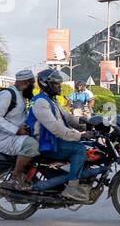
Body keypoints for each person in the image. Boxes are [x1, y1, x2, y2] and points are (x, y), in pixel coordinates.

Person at [28, 68, 92, 201]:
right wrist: (79, 135)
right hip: (46, 143)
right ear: (46, 84)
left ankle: (73, 178)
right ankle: (72, 188)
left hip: (53, 140)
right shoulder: (40, 102)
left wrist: (89, 124)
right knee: (79, 149)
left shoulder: (52, 101)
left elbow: (67, 118)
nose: (59, 86)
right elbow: (56, 128)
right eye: (56, 84)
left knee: (87, 146)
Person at [0, 70, 40, 192]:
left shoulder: (21, 95)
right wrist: (16, 130)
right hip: (1, 137)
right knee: (32, 146)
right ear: (24, 82)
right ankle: (15, 177)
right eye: (32, 83)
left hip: (12, 135)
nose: (33, 86)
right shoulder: (7, 95)